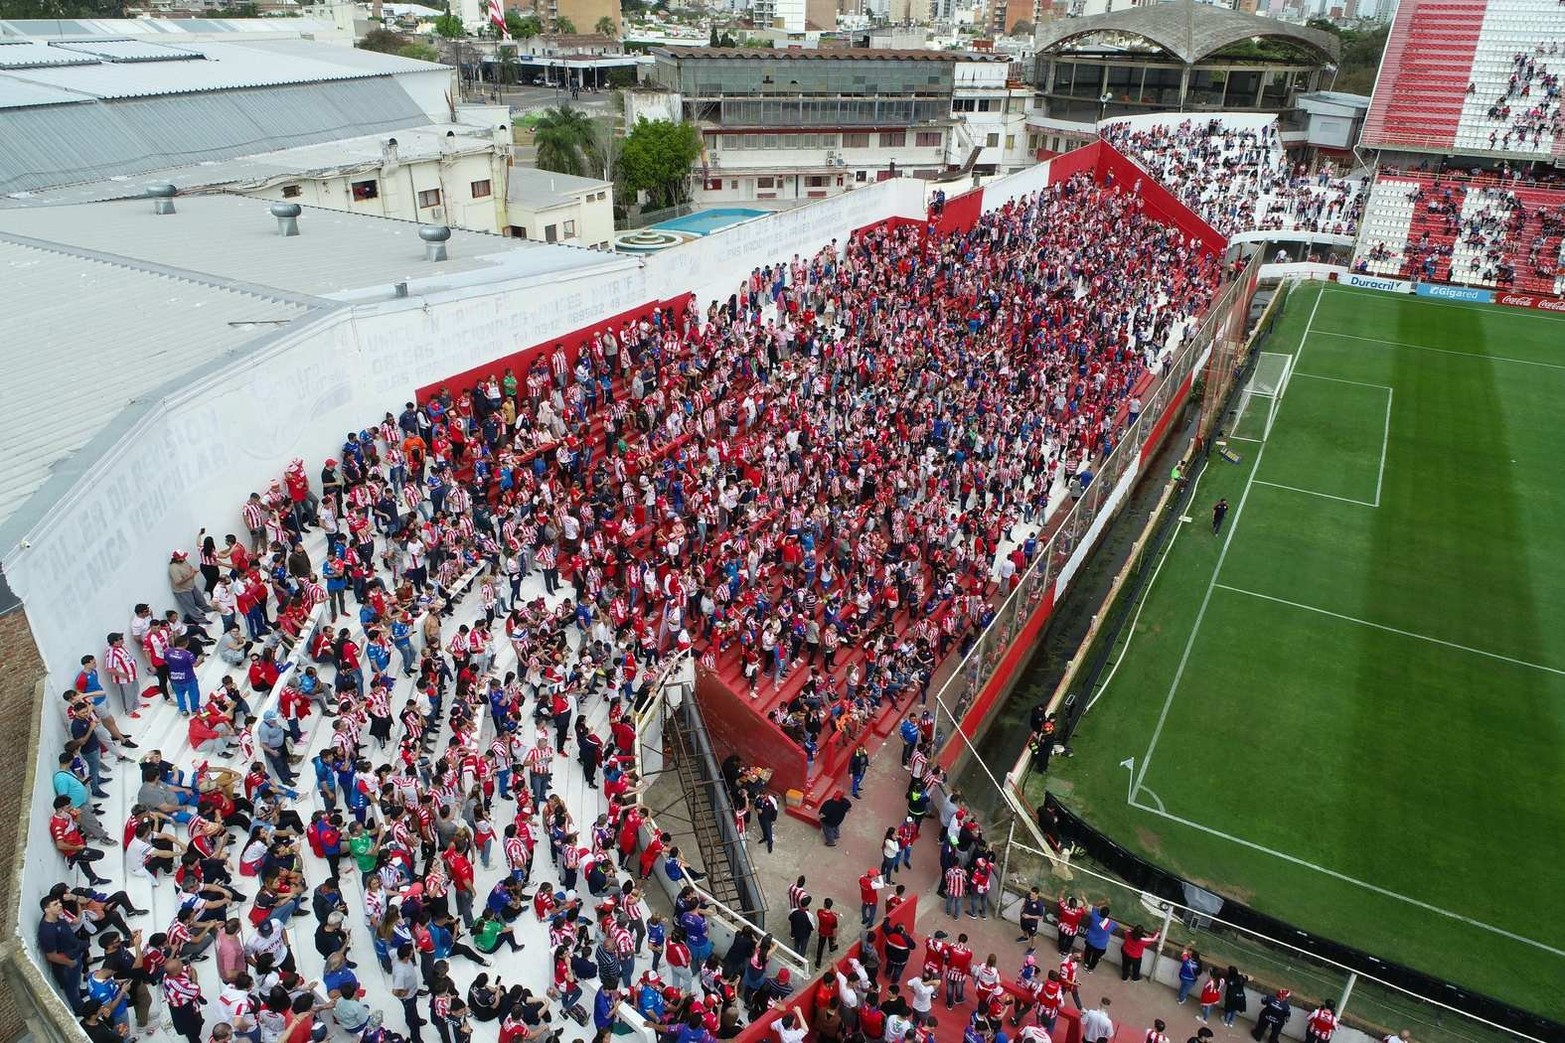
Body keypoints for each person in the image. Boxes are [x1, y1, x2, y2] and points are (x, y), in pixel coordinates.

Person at [39, 894, 89, 1012]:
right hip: (67, 963)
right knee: (70, 987)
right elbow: (51, 955)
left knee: (76, 981)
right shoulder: (47, 931)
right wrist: (69, 962)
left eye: (59, 902)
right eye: (55, 904)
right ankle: (79, 1008)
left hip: (74, 953)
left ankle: (80, 992)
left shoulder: (59, 917)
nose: (60, 904)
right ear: (47, 910)